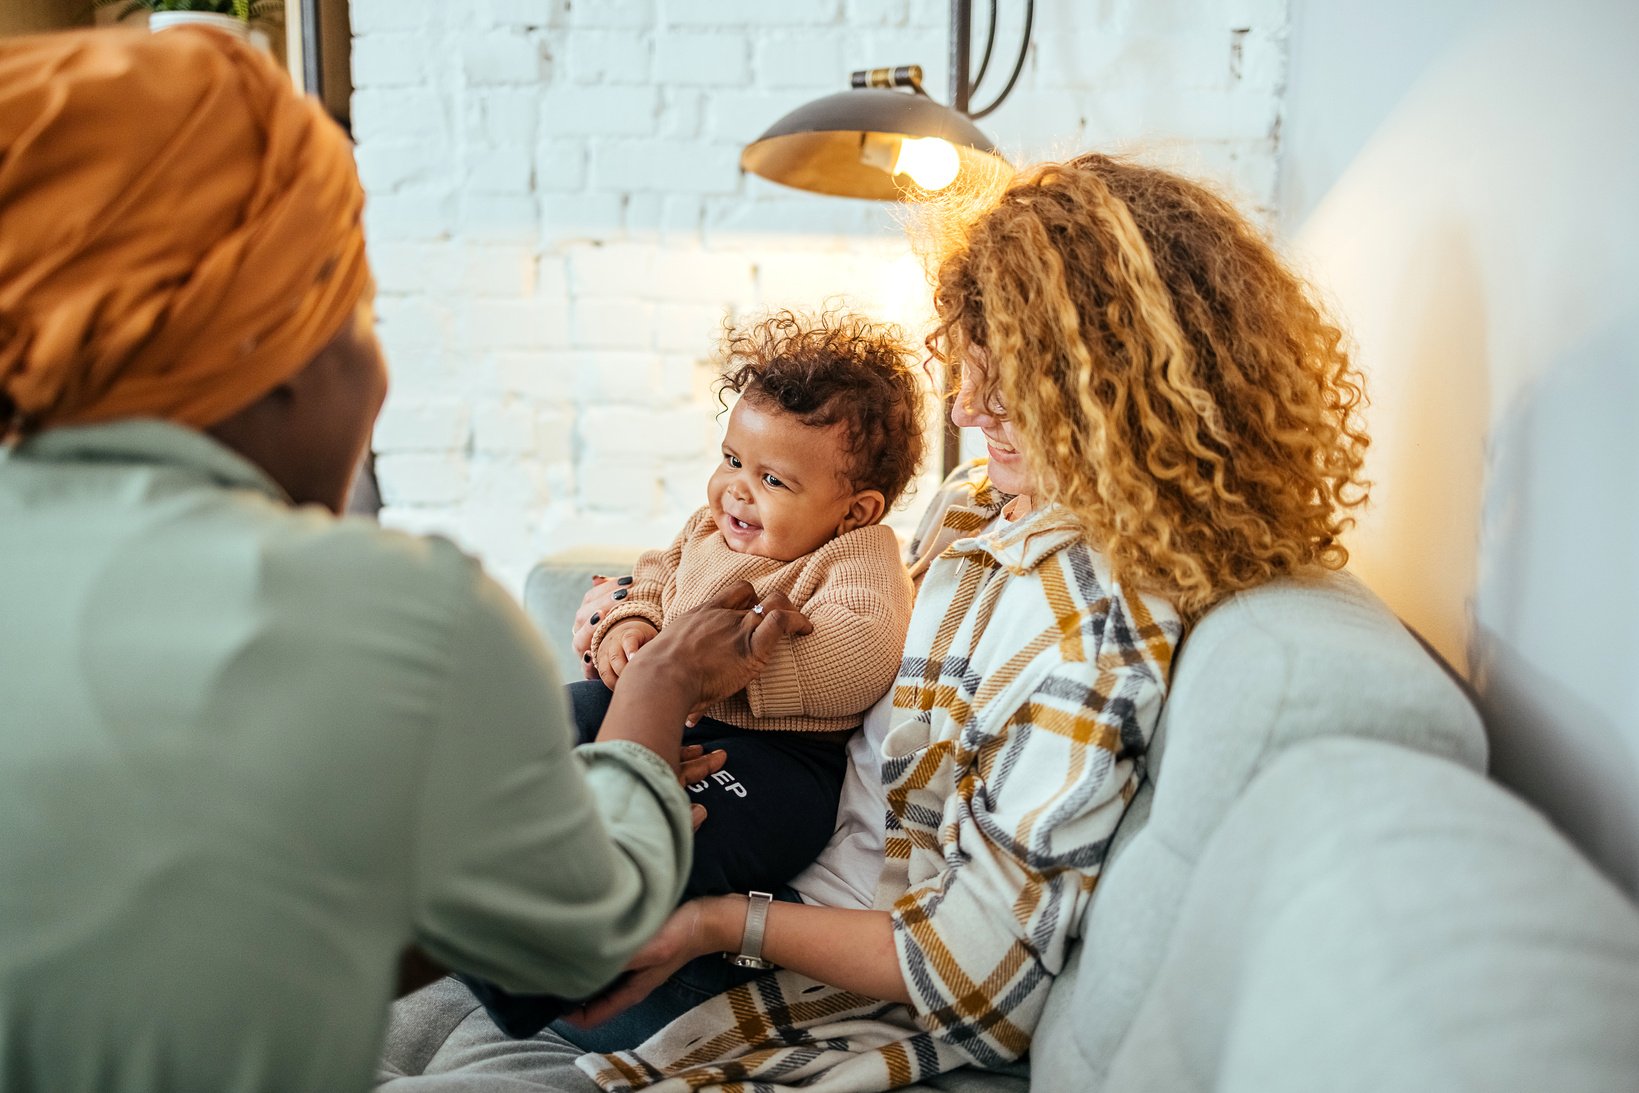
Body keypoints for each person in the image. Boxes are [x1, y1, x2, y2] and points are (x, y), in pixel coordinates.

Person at [378, 151, 1370, 1092]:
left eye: (1006, 371)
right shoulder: (991, 509)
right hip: (742, 815)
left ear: (1111, 380)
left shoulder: (1089, 627)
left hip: (779, 950)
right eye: (970, 359)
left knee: (531, 897)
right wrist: (638, 651)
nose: (968, 398)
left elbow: (969, 970)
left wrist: (717, 918)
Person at [0, 27, 808, 1093]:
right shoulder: (398, 620)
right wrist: (659, 683)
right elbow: (582, 942)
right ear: (268, 345)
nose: (378, 376)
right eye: (359, 314)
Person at [459, 309, 926, 1038]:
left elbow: (860, 651)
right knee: (531, 724)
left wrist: (722, 673)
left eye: (772, 478)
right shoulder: (710, 528)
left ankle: (534, 964)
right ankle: (453, 858)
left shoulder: (859, 556)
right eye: (732, 460)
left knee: (688, 830)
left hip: (776, 761)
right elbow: (653, 574)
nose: (735, 490)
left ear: (853, 509)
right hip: (664, 702)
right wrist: (631, 626)